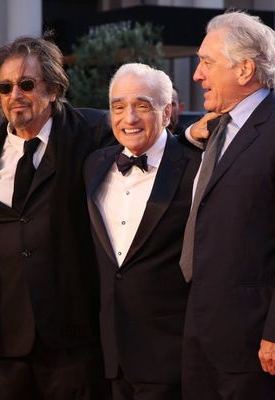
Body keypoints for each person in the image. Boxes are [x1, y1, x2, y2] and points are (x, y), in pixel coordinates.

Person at [0, 36, 114, 399]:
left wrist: (190, 136)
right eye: (4, 87)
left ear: (52, 89)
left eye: (26, 84)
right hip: (6, 332)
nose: (14, 95)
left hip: (73, 331)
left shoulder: (93, 131)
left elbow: (144, 140)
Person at [180, 11, 275, 399]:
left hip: (256, 340)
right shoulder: (218, 127)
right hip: (202, 333)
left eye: (207, 62)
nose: (198, 74)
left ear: (245, 68)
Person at [84, 63, 200, 400]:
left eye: (143, 105)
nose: (129, 118)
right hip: (110, 355)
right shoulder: (94, 165)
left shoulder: (197, 167)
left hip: (171, 353)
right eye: (118, 107)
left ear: (167, 113)